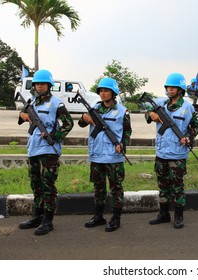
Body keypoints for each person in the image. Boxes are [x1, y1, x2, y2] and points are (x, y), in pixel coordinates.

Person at [18, 69, 74, 235]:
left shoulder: (56, 104)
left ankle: (48, 221)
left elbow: (68, 124)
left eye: (43, 84)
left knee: (48, 186)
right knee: (36, 184)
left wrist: (54, 136)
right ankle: (37, 215)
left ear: (49, 85)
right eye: (37, 84)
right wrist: (24, 115)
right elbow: (22, 117)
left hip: (49, 150)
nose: (40, 86)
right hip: (34, 149)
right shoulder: (32, 102)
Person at [145, 72, 198, 229]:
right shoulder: (160, 104)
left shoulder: (188, 108)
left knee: (177, 186)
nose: (170, 89)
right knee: (162, 186)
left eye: (173, 87)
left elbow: (195, 126)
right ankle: (163, 214)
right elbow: (147, 114)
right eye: (168, 87)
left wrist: (188, 137)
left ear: (180, 89)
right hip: (161, 153)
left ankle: (178, 215)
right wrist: (151, 114)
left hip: (177, 154)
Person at [78, 77, 132, 232]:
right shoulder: (94, 108)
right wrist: (84, 118)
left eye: (106, 90)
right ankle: (99, 216)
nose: (103, 93)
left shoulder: (122, 111)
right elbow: (81, 123)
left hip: (113, 156)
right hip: (96, 155)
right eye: (101, 91)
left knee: (116, 188)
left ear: (113, 93)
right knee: (98, 187)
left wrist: (123, 144)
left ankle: (116, 218)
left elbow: (127, 131)